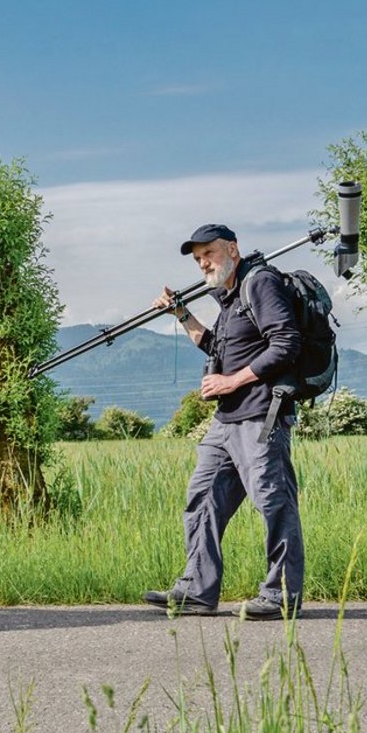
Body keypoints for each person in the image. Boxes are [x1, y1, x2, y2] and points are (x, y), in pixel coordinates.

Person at [144, 224, 304, 621]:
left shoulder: (260, 283)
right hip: (226, 421)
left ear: (232, 248)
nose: (203, 264)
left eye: (209, 254)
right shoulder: (230, 298)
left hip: (261, 418)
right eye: (198, 259)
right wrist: (182, 313)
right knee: (202, 498)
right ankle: (197, 591)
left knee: (273, 502)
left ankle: (281, 595)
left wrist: (232, 380)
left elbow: (286, 344)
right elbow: (217, 345)